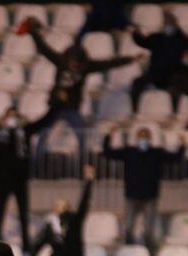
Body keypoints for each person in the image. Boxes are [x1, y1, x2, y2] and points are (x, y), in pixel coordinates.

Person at [27, 17, 136, 158]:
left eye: (76, 61)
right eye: (71, 60)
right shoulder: (60, 62)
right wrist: (33, 33)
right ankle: (37, 161)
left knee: (82, 135)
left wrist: (130, 59)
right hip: (55, 107)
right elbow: (44, 49)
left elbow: (108, 63)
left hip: (72, 108)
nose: (73, 64)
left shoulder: (86, 67)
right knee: (44, 132)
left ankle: (83, 162)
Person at [0, 87, 53, 255]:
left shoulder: (25, 131)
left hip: (21, 179)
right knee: (0, 212)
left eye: (14, 116)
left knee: (23, 212)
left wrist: (59, 103)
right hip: (2, 179)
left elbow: (45, 119)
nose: (12, 119)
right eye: (9, 115)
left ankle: (26, 245)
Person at [102, 125, 185, 256]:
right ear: (137, 139)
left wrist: (183, 145)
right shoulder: (130, 152)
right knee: (128, 229)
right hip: (132, 195)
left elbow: (175, 158)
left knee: (148, 232)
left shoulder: (156, 153)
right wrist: (108, 137)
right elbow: (108, 153)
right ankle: (128, 255)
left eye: (146, 138)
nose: (143, 141)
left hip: (150, 197)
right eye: (141, 138)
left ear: (150, 139)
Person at [129, 13, 188, 112]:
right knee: (137, 83)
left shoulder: (181, 38)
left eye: (169, 23)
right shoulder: (157, 37)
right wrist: (136, 32)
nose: (167, 25)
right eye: (165, 23)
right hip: (155, 73)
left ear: (175, 24)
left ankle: (174, 113)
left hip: (172, 74)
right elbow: (143, 42)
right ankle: (135, 111)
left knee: (177, 86)